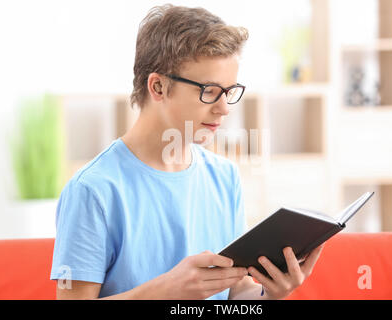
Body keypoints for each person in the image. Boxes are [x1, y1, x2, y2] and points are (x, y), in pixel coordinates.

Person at [50, 4, 323, 300]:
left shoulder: (224, 176)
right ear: (158, 87)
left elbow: (236, 289)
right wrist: (165, 291)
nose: (224, 108)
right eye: (209, 91)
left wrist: (270, 295)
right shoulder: (93, 190)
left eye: (230, 91)